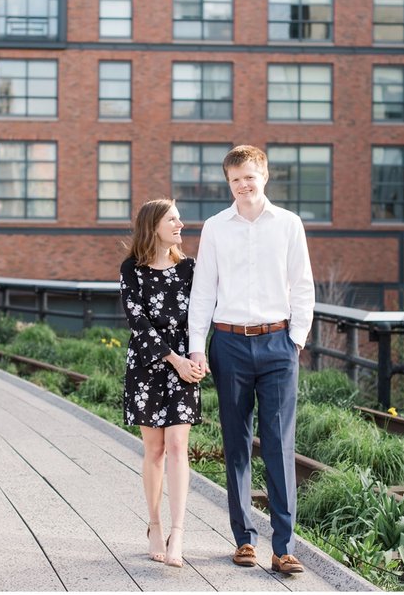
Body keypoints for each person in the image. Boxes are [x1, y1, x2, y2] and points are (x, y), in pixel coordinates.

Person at [188, 145, 315, 575]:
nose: (244, 184)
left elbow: (302, 285)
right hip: (229, 344)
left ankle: (284, 547)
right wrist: (196, 345)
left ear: (265, 176)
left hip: (278, 343)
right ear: (228, 182)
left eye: (250, 176)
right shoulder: (215, 228)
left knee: (279, 446)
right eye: (236, 178)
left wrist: (295, 339)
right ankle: (244, 540)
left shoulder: (288, 225)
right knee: (236, 443)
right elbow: (203, 290)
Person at [120, 199, 205, 569]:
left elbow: (202, 314)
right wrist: (175, 360)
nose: (180, 224)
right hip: (149, 365)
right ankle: (154, 525)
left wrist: (197, 356)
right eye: (173, 219)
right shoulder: (132, 270)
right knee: (154, 449)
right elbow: (137, 323)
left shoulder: (190, 268)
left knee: (177, 444)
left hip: (186, 365)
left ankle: (178, 532)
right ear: (154, 224)